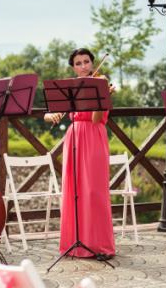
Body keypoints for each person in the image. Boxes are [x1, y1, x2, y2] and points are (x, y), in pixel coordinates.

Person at [44, 48, 115, 261]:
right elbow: (47, 115)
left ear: (92, 64)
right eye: (78, 63)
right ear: (73, 67)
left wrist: (102, 98)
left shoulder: (100, 84)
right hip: (73, 136)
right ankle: (73, 243)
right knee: (73, 190)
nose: (83, 66)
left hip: (93, 136)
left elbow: (95, 119)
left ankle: (101, 246)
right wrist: (52, 115)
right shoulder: (70, 88)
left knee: (94, 191)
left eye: (86, 62)